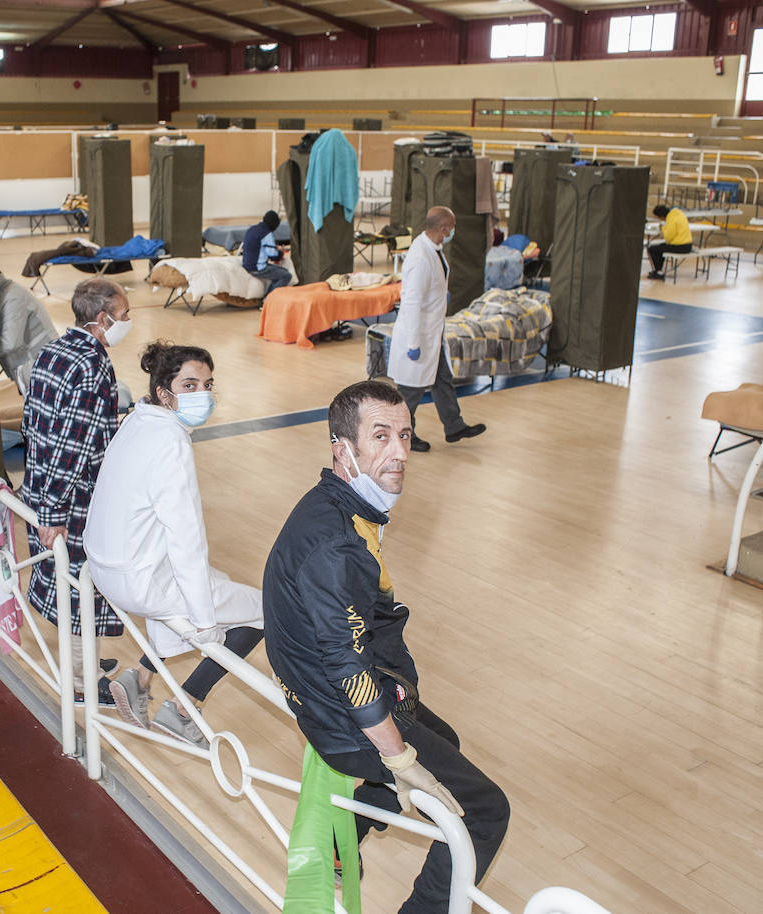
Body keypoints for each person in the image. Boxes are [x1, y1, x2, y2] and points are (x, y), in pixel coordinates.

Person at [262, 380, 511, 913]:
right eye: (380, 437)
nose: (399, 452)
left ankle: (338, 842)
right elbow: (346, 664)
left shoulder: (334, 502)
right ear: (342, 447)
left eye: (404, 434)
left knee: (444, 739)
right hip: (340, 714)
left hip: (329, 691)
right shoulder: (336, 545)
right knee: (486, 810)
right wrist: (397, 757)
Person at [85, 342, 265, 748]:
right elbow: (186, 540)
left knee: (211, 586)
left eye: (207, 384)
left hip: (104, 567)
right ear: (165, 393)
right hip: (140, 580)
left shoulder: (138, 420)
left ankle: (140, 678)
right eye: (190, 384)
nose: (203, 394)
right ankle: (185, 710)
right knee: (259, 612)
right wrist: (205, 626)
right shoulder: (172, 443)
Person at [21, 277, 133, 703]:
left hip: (42, 480)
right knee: (81, 586)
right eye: (123, 315)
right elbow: (74, 446)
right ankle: (84, 682)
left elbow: (35, 423)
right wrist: (53, 512)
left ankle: (86, 660)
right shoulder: (92, 365)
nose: (127, 322)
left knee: (68, 584)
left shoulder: (55, 348)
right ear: (102, 319)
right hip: (72, 498)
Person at [389, 206, 485, 452]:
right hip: (418, 335)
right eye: (451, 228)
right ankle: (400, 438)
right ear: (443, 229)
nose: (452, 232)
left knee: (443, 379)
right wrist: (413, 344)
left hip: (432, 331)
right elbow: (411, 303)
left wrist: (441, 294)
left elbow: (431, 286)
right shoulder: (421, 257)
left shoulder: (433, 250)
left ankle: (454, 426)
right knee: (410, 392)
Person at [241, 210, 291, 296]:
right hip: (258, 268)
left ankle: (269, 295)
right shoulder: (267, 234)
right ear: (275, 225)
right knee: (286, 275)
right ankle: (267, 300)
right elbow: (273, 255)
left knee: (283, 272)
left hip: (247, 264)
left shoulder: (252, 229)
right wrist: (281, 253)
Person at [647, 203, 692, 280]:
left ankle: (658, 271)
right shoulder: (678, 214)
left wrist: (663, 228)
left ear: (661, 216)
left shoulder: (671, 219)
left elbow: (668, 238)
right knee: (660, 247)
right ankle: (658, 271)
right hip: (687, 244)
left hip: (680, 246)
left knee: (652, 249)